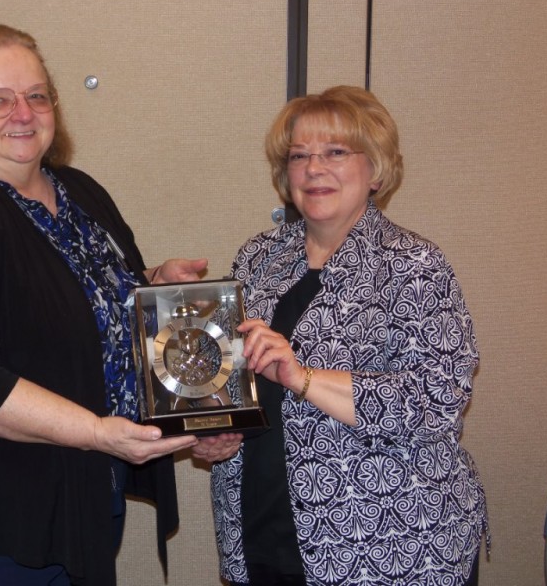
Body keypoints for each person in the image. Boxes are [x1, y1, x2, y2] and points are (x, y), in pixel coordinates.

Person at [0, 24, 214, 586]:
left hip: (76, 499)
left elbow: (66, 294)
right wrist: (99, 433)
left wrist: (149, 284)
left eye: (36, 96)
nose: (22, 113)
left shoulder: (79, 192)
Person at [206, 86, 489, 586]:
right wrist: (214, 433)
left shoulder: (413, 266)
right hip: (261, 535)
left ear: (376, 170)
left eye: (336, 152)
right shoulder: (257, 259)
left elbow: (437, 402)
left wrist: (305, 377)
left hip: (388, 546)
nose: (314, 168)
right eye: (299, 156)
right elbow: (236, 384)